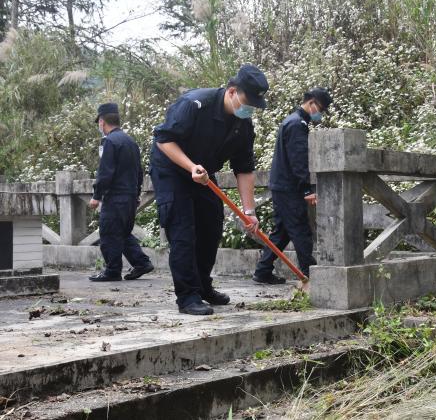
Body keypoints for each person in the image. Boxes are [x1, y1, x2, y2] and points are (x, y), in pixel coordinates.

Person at [150, 64, 267, 315]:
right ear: (232, 91)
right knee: (183, 231)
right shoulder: (194, 104)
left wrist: (249, 211)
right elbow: (164, 140)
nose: (250, 109)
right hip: (173, 169)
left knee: (211, 225)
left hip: (204, 174)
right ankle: (187, 296)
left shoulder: (243, 126)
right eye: (248, 102)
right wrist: (191, 167)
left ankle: (203, 286)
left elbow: (244, 169)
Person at [253, 88, 333, 284]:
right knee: (300, 229)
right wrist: (306, 189)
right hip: (289, 187)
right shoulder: (297, 124)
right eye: (321, 109)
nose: (320, 114)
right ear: (312, 103)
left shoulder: (293, 121)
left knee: (282, 232)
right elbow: (299, 160)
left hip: (282, 184)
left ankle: (263, 270)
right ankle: (310, 273)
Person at [89, 103, 154, 282]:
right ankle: (141, 263)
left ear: (102, 121)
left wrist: (96, 196)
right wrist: (136, 194)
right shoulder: (130, 141)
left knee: (109, 232)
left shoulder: (110, 142)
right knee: (122, 233)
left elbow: (105, 173)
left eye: (99, 122)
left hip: (115, 197)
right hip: (130, 197)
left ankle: (112, 271)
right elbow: (139, 172)